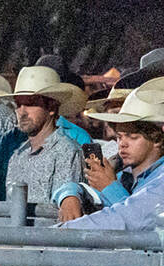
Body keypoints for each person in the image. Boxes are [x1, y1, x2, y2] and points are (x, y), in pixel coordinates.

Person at [56, 85, 164, 227]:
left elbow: (133, 219)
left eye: (132, 137)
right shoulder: (125, 175)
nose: (122, 144)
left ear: (157, 140)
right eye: (119, 137)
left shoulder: (159, 179)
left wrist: (109, 187)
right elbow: (86, 190)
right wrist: (69, 194)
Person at [0, 66, 84, 208]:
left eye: (30, 104)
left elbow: (66, 215)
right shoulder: (17, 155)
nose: (21, 112)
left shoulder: (67, 152)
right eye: (18, 104)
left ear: (52, 107)